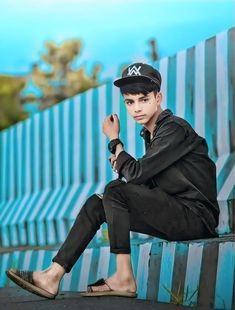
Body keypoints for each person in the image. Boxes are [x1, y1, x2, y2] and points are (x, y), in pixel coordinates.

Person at [6, 63, 219, 299]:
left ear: (158, 98)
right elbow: (144, 182)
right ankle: (52, 276)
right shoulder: (152, 134)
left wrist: (115, 141)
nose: (137, 108)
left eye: (144, 99)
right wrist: (122, 166)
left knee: (114, 190)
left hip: (196, 218)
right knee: (97, 203)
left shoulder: (174, 128)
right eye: (130, 102)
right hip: (175, 213)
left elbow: (137, 174)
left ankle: (124, 277)